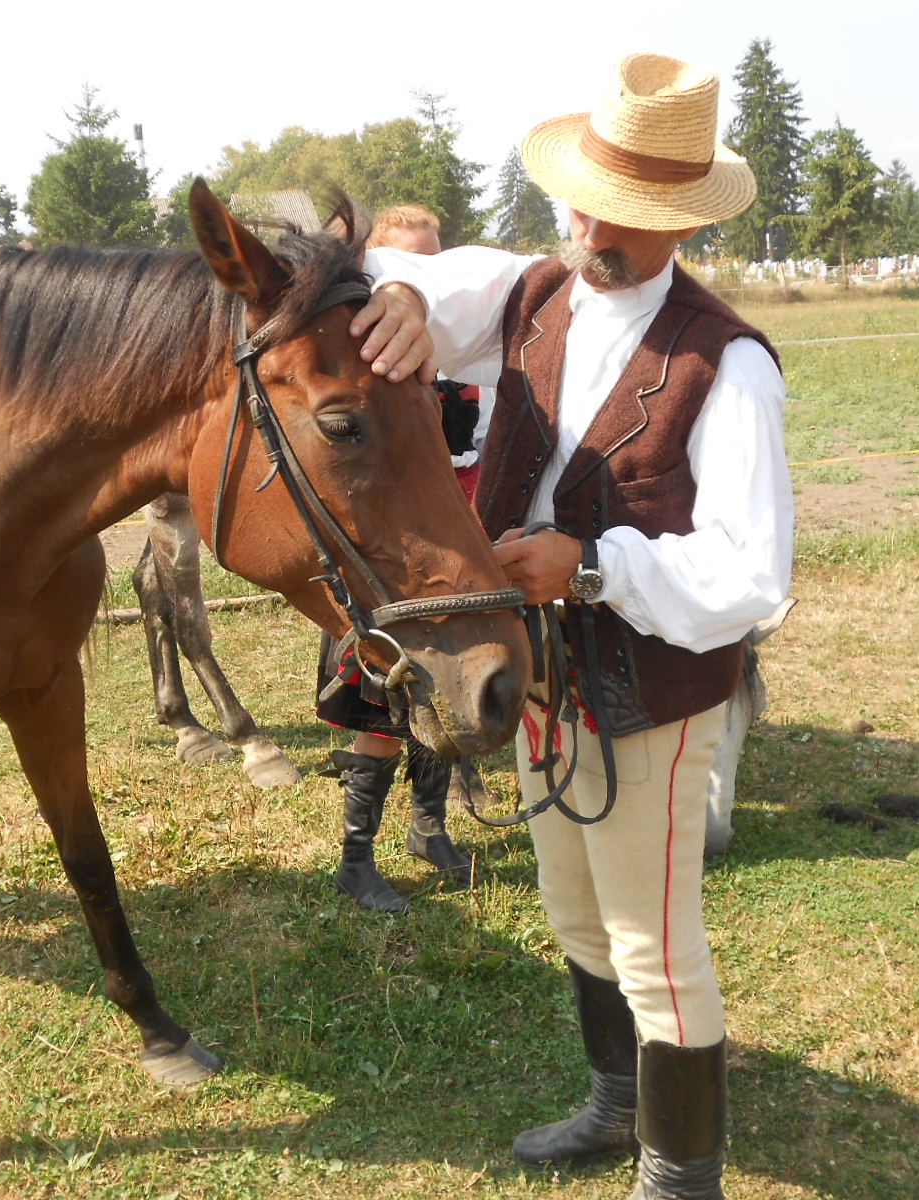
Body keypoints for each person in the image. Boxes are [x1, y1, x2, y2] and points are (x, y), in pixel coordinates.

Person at [348, 53, 794, 1200]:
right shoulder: (537, 290)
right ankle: (611, 1103)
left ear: (680, 222)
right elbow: (432, 289)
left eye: (630, 215)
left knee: (653, 942)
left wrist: (589, 569)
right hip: (537, 679)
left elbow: (751, 575)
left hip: (647, 689)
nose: (597, 227)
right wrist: (399, 298)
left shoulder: (725, 362)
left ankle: (680, 1173)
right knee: (574, 912)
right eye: (589, 198)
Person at [317, 204, 479, 914]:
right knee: (382, 719)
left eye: (433, 263)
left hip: (448, 563)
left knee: (439, 704)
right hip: (388, 570)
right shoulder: (365, 376)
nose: (423, 278)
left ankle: (428, 828)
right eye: (407, 263)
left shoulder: (460, 354)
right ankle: (356, 862)